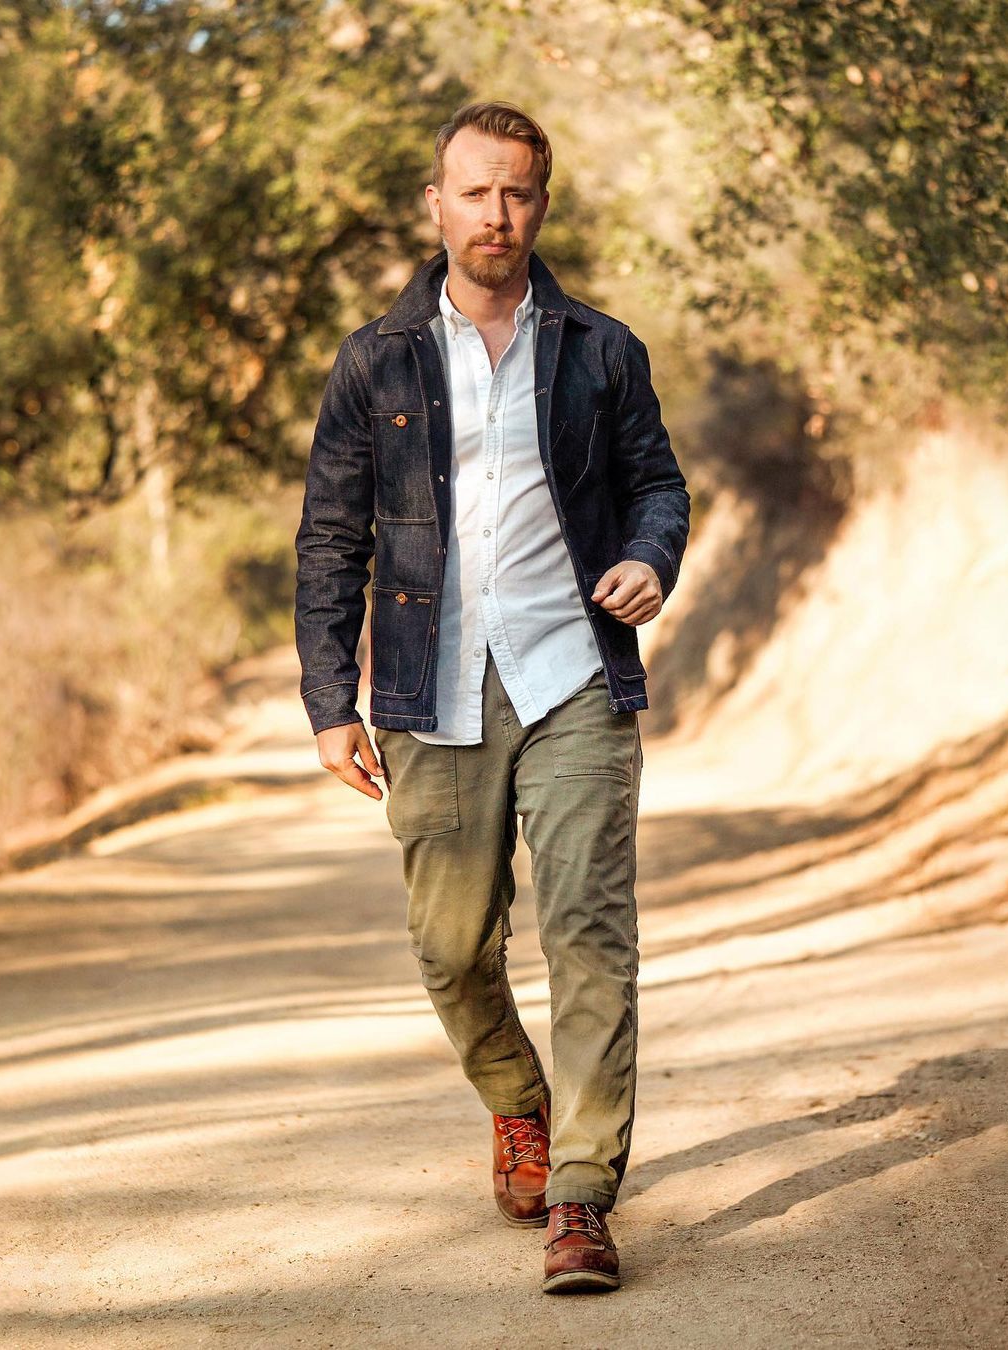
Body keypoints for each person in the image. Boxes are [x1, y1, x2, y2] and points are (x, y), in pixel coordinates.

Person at [294, 101, 690, 1294]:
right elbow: (329, 541)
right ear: (437, 202)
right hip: (431, 685)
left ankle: (581, 1192)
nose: (496, 214)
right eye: (475, 192)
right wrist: (329, 700)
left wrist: (650, 558)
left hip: (573, 674)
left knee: (587, 932)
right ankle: (519, 1104)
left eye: (516, 193)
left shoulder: (602, 349)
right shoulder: (376, 361)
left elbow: (656, 487)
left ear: (542, 205)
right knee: (451, 946)